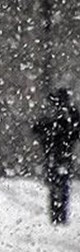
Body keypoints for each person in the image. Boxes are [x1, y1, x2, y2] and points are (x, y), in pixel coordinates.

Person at [33, 88, 80, 225]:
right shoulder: (65, 115)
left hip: (56, 154)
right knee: (59, 185)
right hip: (59, 154)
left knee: (57, 185)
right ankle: (58, 214)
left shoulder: (61, 115)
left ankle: (57, 214)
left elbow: (37, 129)